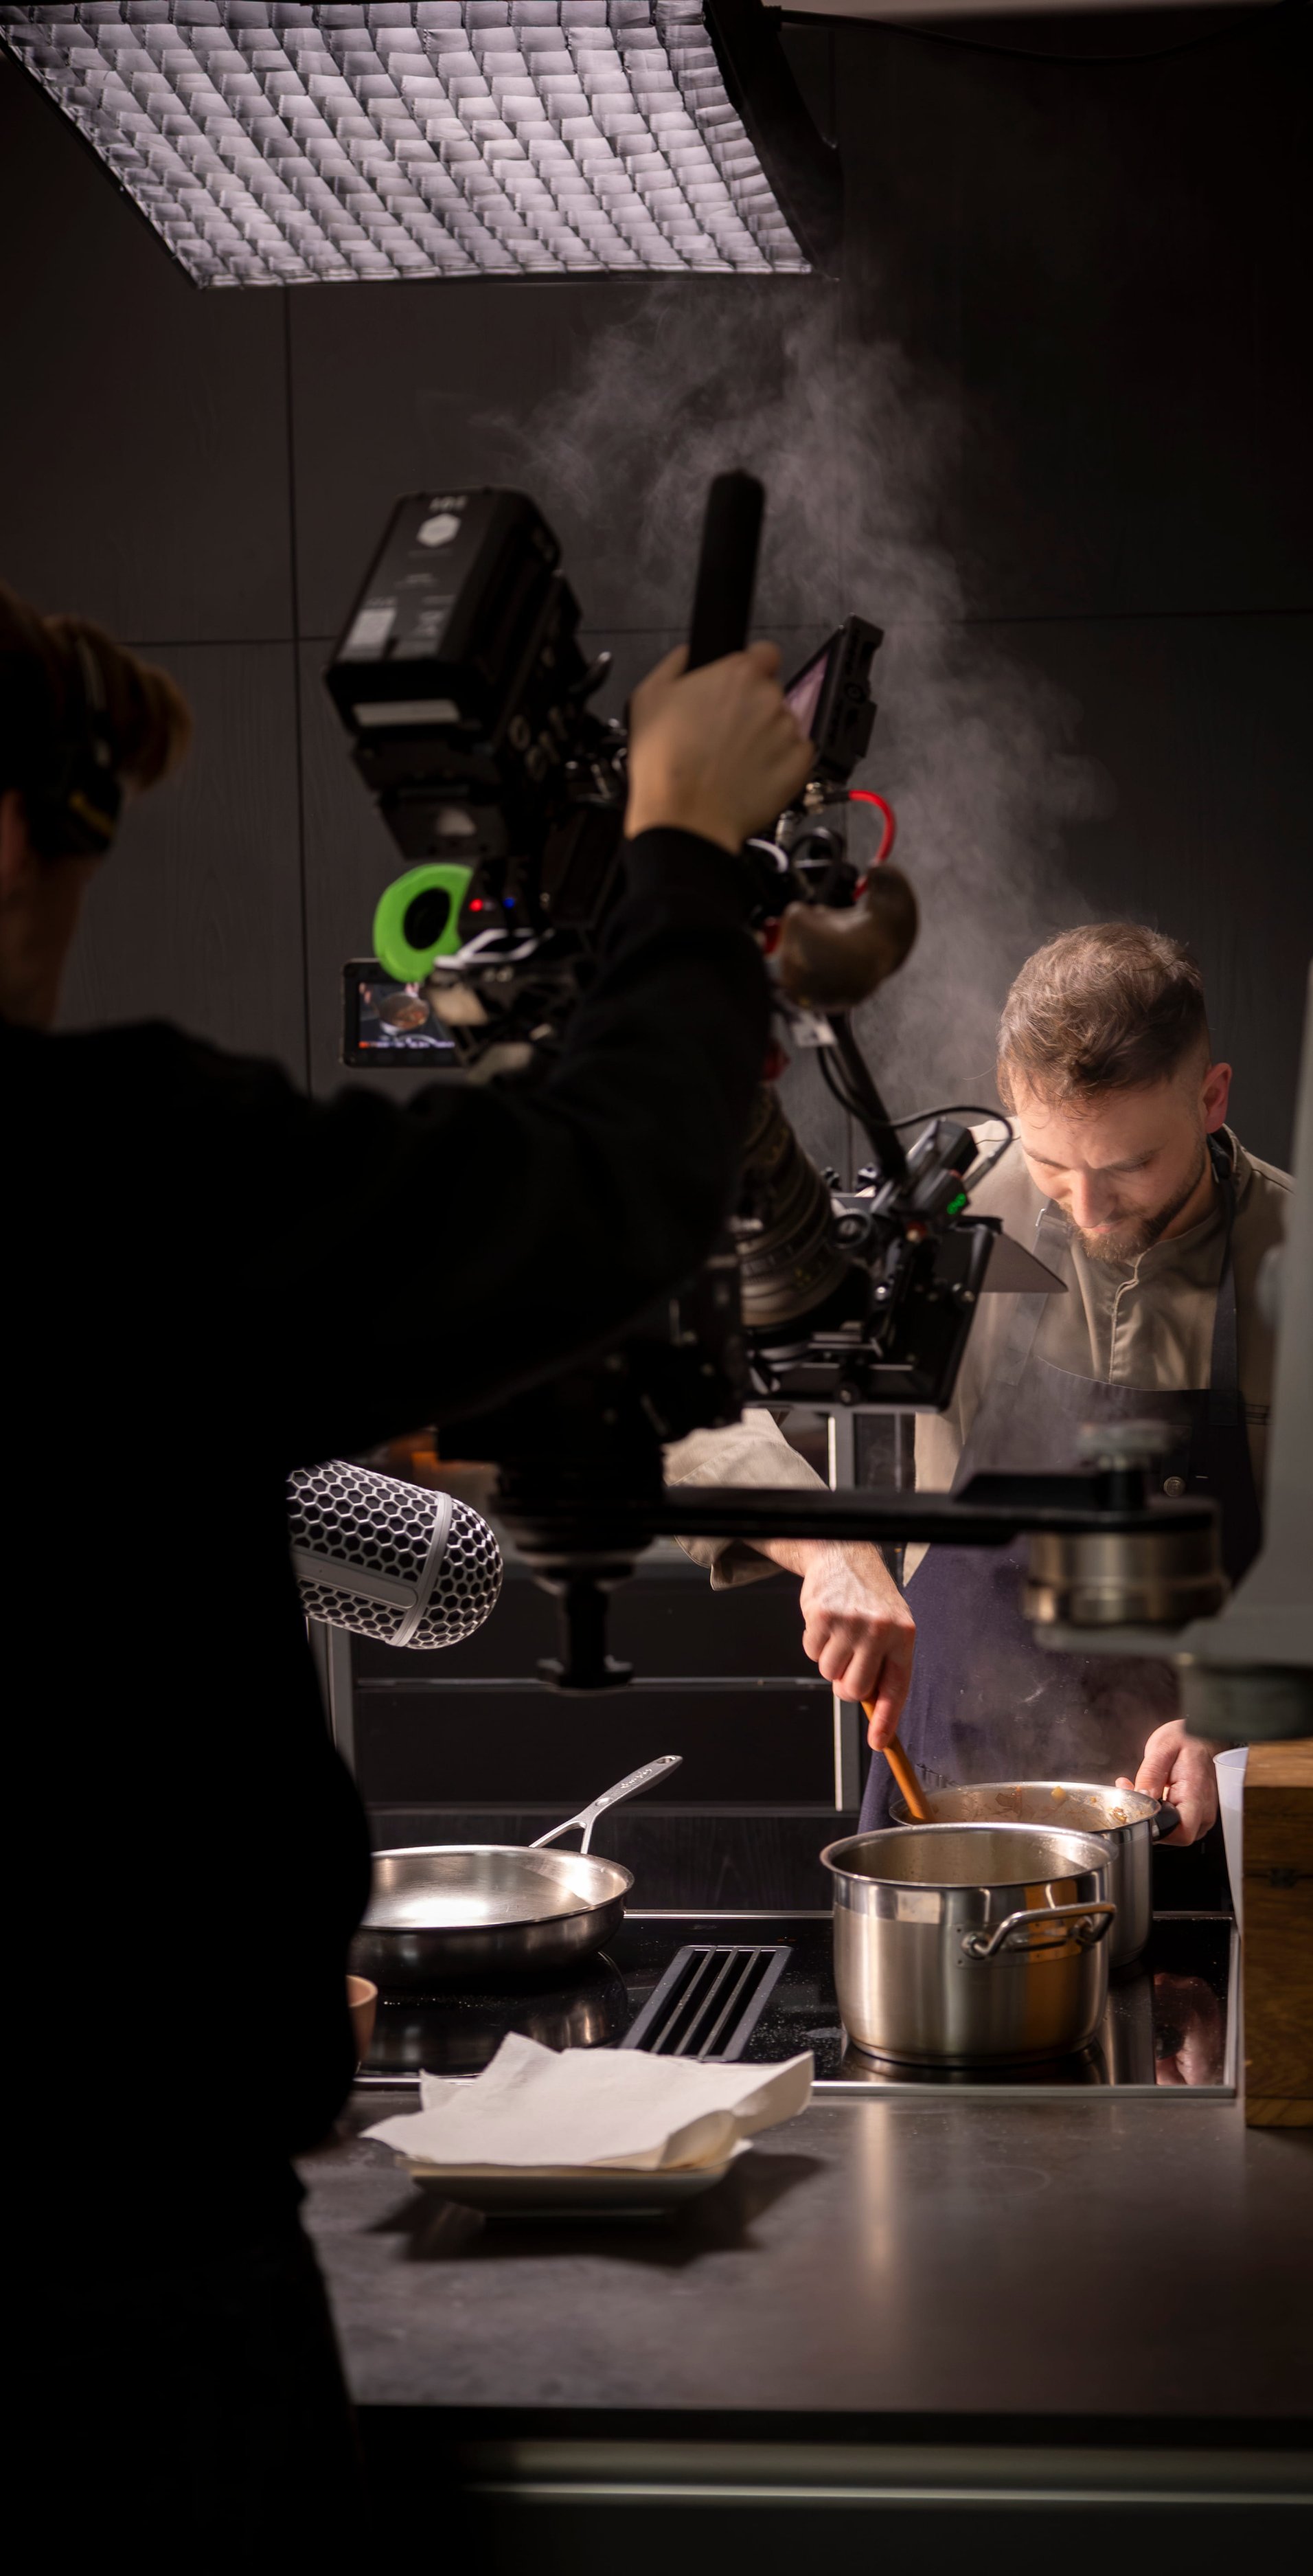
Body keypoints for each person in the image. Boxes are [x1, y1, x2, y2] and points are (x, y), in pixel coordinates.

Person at [3, 582, 812, 2557]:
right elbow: (598, 1187)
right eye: (84, 849)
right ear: (13, 826)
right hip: (113, 2324)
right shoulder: (104, 1165)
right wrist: (685, 856)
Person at [667, 922, 1291, 1845]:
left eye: (1130, 1167)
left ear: (1210, 1096)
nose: (1087, 1211)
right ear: (1010, 1102)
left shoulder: (1311, 1258)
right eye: (1053, 1167)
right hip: (951, 1795)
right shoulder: (949, 1217)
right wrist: (827, 1551)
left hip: (1209, 1821)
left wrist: (1241, 1712)